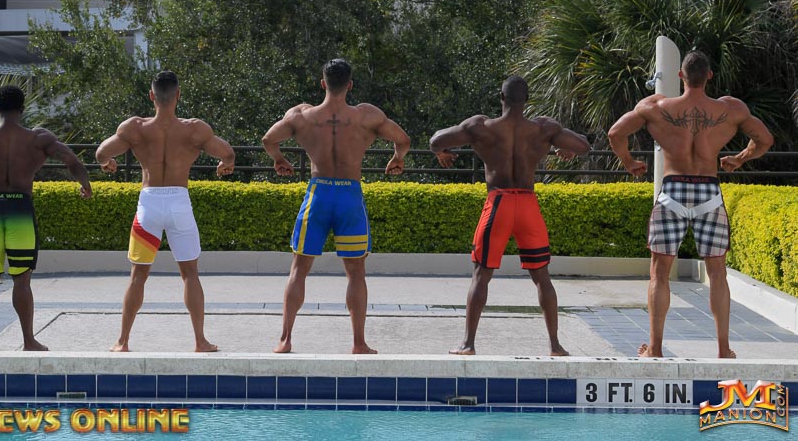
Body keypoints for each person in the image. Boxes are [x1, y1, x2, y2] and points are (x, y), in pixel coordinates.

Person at [608, 50, 773, 359]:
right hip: (709, 192)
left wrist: (629, 162)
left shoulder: (656, 107)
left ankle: (655, 349)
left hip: (673, 190)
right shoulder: (730, 109)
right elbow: (764, 139)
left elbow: (616, 133)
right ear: (709, 75)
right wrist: (739, 158)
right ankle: (723, 349)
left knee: (659, 273)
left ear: (680, 75)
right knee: (718, 272)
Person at [430, 75, 590, 356]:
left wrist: (443, 153)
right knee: (542, 276)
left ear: (501, 98)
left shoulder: (481, 127)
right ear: (526, 100)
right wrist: (560, 146)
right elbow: (584, 146)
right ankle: (555, 345)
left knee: (481, 274)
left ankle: (468, 344)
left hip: (499, 203)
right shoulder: (544, 129)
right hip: (528, 205)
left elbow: (436, 140)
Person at [262, 59, 411, 354]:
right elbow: (403, 140)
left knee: (299, 269)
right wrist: (397, 158)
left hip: (318, 194)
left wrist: (279, 159)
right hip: (349, 196)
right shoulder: (366, 115)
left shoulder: (302, 116)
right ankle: (358, 343)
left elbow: (269, 139)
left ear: (322, 83)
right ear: (350, 85)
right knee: (356, 272)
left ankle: (285, 339)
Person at [0, 85, 92, 351]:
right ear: (22, 109)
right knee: (22, 279)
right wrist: (86, 186)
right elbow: (73, 161)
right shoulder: (38, 139)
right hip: (20, 210)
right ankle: (28, 341)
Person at [96, 71, 235, 353]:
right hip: (179, 202)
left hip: (148, 204)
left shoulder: (135, 128)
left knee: (138, 275)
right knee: (190, 274)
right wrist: (225, 165)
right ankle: (200, 341)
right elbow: (228, 153)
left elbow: (101, 152)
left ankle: (122, 341)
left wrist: (107, 163)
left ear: (151, 96)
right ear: (178, 95)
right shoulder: (195, 130)